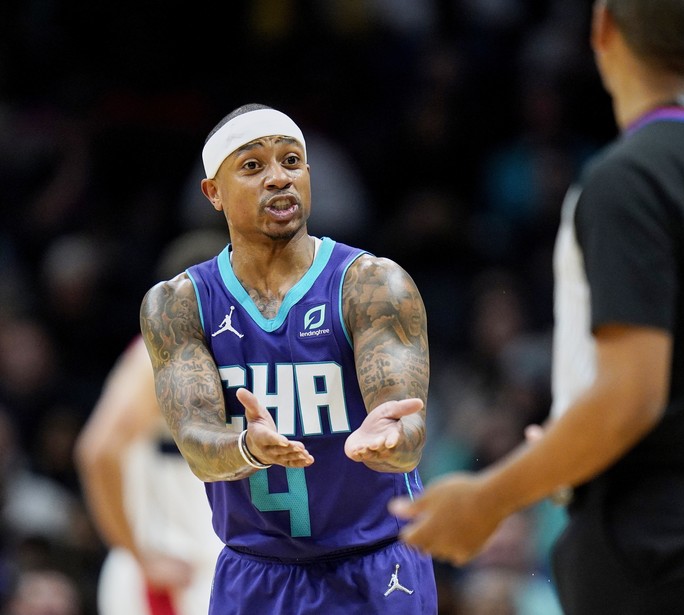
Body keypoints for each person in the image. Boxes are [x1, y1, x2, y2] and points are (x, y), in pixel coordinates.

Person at [391, 1, 684, 614]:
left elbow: (628, 402)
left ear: (602, 27)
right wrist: (573, 447)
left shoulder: (627, 179)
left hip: (642, 540)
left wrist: (488, 499)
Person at [138, 103, 437, 615]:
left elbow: (406, 434)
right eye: (253, 166)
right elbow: (196, 445)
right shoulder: (179, 303)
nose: (279, 178)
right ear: (213, 192)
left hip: (376, 566)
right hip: (254, 571)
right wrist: (248, 448)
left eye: (292, 161)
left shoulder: (371, 285)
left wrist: (391, 441)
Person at [75, 230, 229, 615]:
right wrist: (139, 555)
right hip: (171, 578)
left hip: (211, 566)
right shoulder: (157, 359)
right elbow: (97, 452)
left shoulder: (226, 355)